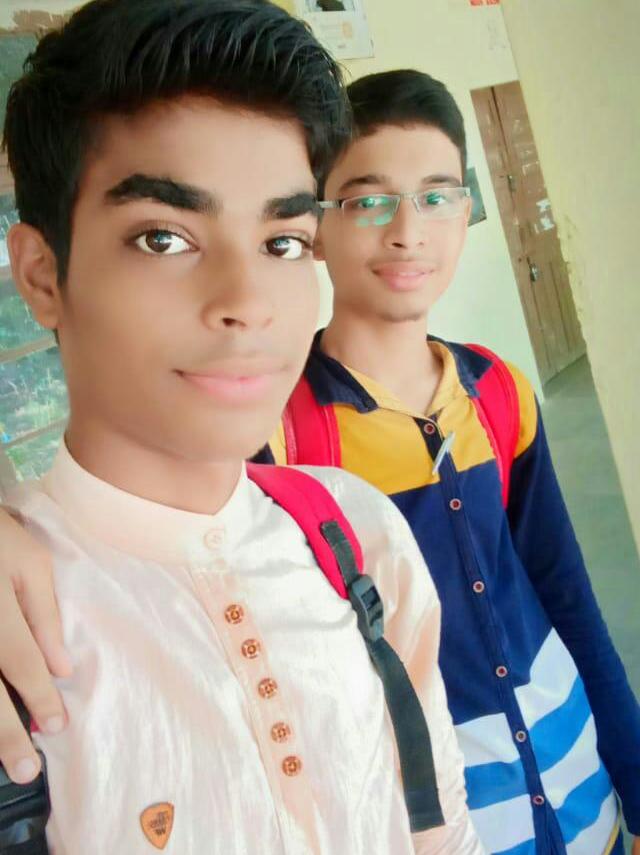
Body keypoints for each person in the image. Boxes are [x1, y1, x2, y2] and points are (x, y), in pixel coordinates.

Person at [0, 9, 482, 853]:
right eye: (164, 237)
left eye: (283, 242)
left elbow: (441, 831)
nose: (248, 301)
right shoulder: (21, 628)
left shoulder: (357, 533)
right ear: (42, 276)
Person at [255, 70, 640, 854]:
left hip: (578, 777)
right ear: (317, 226)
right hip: (444, 818)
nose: (408, 231)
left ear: (465, 212)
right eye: (368, 200)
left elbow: (566, 591)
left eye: (436, 195)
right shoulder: (282, 436)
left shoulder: (498, 390)